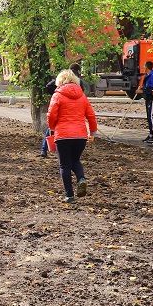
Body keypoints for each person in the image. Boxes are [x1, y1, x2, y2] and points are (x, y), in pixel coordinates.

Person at [47, 68, 98, 204]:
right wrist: (92, 132)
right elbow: (91, 115)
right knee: (75, 160)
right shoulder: (82, 96)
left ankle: (69, 195)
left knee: (65, 165)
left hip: (63, 135)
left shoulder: (57, 95)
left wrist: (52, 128)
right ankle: (81, 179)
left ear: (60, 81)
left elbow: (52, 115)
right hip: (80, 135)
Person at [140, 61, 153, 142]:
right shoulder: (148, 75)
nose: (143, 67)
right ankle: (151, 134)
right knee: (149, 116)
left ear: (146, 67)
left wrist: (143, 91)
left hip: (152, 99)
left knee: (151, 117)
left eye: (144, 65)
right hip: (148, 98)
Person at [39, 75, 59, 157]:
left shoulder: (63, 78)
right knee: (51, 128)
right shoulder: (65, 79)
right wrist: (55, 93)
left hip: (61, 105)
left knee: (51, 128)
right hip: (62, 107)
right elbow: (49, 86)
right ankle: (45, 149)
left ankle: (44, 149)